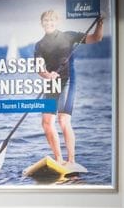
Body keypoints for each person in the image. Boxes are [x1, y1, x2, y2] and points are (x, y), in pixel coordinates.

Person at [36, 9, 103, 165]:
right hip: (51, 83)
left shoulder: (69, 36)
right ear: (41, 23)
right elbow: (39, 69)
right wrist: (48, 75)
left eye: (51, 20)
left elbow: (96, 38)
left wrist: (100, 24)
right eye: (46, 20)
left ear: (57, 21)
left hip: (67, 80)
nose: (49, 23)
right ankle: (59, 160)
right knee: (46, 122)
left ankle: (71, 160)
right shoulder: (39, 45)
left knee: (63, 120)